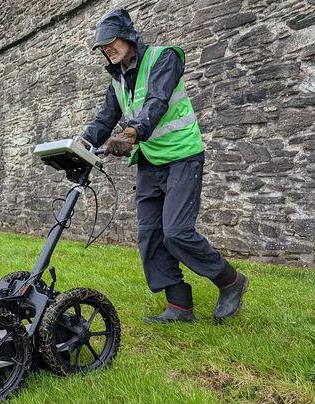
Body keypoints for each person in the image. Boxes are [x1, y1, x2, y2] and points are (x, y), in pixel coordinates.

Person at [81, 8, 248, 323]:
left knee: (177, 231)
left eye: (111, 42)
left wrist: (131, 134)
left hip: (182, 156)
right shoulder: (118, 79)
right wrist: (81, 145)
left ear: (128, 36)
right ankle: (180, 307)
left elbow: (156, 102)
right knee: (150, 235)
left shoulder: (164, 58)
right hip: (150, 161)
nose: (107, 49)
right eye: (102, 47)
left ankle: (230, 281)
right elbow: (104, 118)